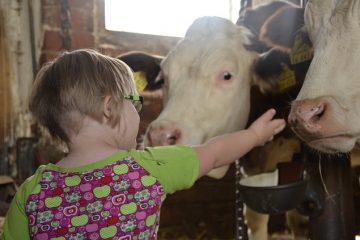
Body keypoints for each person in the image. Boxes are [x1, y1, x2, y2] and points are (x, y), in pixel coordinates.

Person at [1, 49, 286, 240]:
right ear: (109, 109)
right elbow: (213, 154)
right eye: (135, 102)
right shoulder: (147, 168)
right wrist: (254, 136)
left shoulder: (32, 191)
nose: (138, 112)